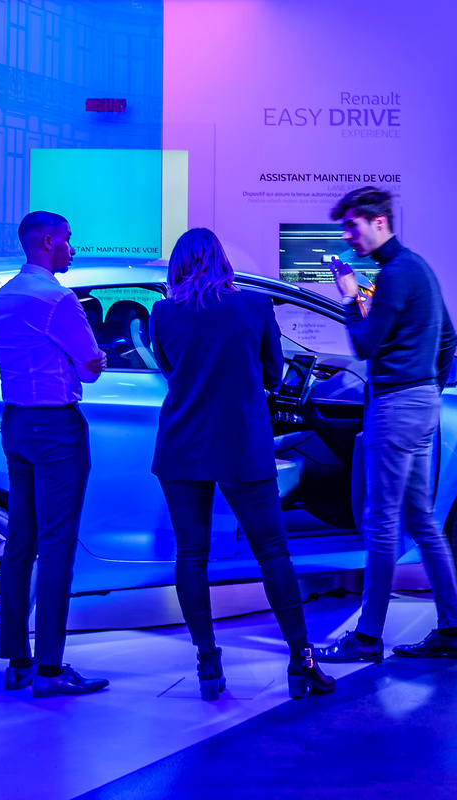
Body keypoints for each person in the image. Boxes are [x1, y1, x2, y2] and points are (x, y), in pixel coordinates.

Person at [151, 228, 335, 700]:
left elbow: (170, 370)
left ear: (178, 265)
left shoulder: (164, 312)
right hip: (242, 443)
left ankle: (208, 664)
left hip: (182, 446)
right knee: (273, 553)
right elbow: (273, 373)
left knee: (191, 555)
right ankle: (301, 662)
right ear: (221, 260)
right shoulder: (254, 307)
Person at [315, 187, 457, 663]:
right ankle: (452, 629)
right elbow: (449, 342)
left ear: (378, 222)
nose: (348, 236)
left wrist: (348, 296)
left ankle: (365, 639)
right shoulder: (416, 268)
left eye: (352, 226)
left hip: (397, 406)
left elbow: (363, 343)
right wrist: (428, 390)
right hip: (421, 404)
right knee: (421, 520)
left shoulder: (395, 275)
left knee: (382, 524)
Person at [0, 211, 109, 697]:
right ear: (49, 241)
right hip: (55, 426)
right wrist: (82, 364)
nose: (72, 249)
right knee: (56, 547)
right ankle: (52, 671)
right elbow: (92, 366)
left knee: (20, 542)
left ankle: (18, 661)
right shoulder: (57, 299)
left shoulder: (3, 296)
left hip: (15, 422)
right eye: (70, 240)